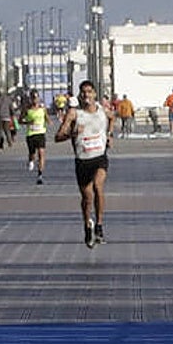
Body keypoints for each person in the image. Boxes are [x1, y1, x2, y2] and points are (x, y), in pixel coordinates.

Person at [56, 80, 112, 248]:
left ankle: (99, 226)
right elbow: (58, 137)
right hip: (82, 160)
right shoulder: (74, 114)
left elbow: (112, 117)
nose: (86, 95)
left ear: (94, 94)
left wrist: (109, 135)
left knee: (98, 187)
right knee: (87, 198)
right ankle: (87, 226)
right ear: (80, 95)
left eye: (89, 91)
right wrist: (72, 133)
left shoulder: (102, 110)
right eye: (83, 92)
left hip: (99, 157)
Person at [20, 92, 49, 185]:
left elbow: (47, 118)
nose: (35, 100)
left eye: (36, 98)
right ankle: (30, 160)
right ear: (30, 99)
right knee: (32, 154)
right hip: (31, 134)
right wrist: (28, 122)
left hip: (40, 133)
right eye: (33, 98)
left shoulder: (43, 108)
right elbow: (20, 120)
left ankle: (40, 175)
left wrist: (48, 121)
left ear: (39, 98)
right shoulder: (27, 109)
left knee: (41, 153)